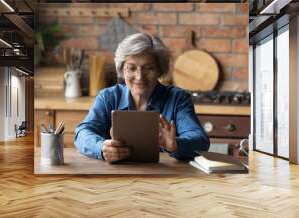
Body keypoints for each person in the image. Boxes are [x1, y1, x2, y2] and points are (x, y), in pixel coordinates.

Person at [74, 33, 210, 163]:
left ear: (159, 70)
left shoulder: (177, 98)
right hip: (115, 177)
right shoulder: (108, 97)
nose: (139, 77)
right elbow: (82, 133)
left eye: (149, 68)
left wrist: (174, 145)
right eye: (131, 68)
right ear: (122, 70)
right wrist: (101, 148)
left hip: (166, 179)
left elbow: (200, 141)